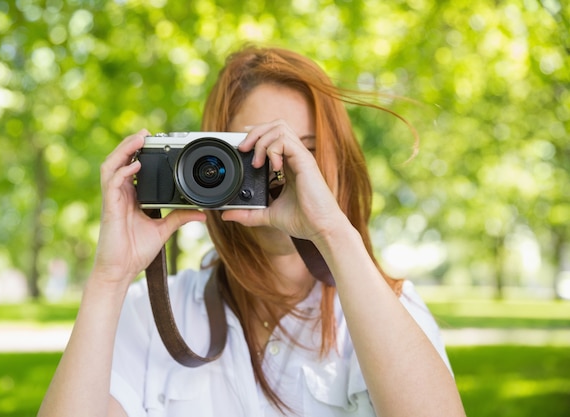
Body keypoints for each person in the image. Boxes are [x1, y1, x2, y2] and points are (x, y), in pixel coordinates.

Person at [38, 46, 466, 417]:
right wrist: (108, 279)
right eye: (251, 152)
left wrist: (332, 234)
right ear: (204, 165)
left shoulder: (388, 308)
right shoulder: (146, 315)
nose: (282, 169)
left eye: (307, 151)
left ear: (340, 165)